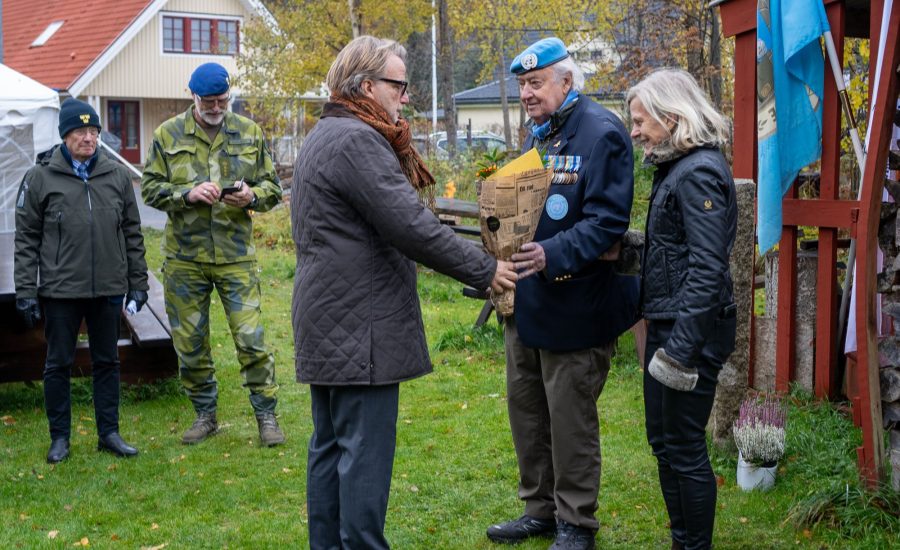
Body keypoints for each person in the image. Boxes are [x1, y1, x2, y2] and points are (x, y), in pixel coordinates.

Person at [291, 35, 517, 549]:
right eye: (398, 84)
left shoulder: (326, 134)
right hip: (358, 324)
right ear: (366, 86)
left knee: (330, 448)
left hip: (329, 317)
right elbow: (411, 225)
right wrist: (485, 270)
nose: (406, 96)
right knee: (362, 456)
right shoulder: (355, 140)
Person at [487, 38, 638, 550]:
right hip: (525, 303)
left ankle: (577, 523)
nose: (527, 93)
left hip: (575, 302)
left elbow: (607, 221)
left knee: (570, 418)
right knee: (526, 410)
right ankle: (540, 510)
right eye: (523, 85)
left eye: (536, 83)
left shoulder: (602, 133)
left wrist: (554, 254)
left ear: (566, 81)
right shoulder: (540, 135)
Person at [141, 62, 285, 447]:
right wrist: (185, 195)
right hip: (185, 259)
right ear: (194, 97)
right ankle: (205, 413)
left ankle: (266, 415)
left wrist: (252, 196)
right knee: (190, 343)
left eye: (223, 100)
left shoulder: (249, 132)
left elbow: (273, 186)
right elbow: (149, 188)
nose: (217, 107)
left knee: (251, 338)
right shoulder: (167, 134)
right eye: (210, 101)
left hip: (235, 256)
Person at [627, 68, 736, 550]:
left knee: (685, 447)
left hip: (692, 332)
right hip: (670, 325)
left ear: (671, 117)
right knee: (664, 444)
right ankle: (681, 541)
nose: (634, 132)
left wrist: (681, 353)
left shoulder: (700, 172)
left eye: (639, 121)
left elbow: (708, 268)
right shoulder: (677, 167)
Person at [15, 98, 149, 463]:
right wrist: (26, 291)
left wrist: (138, 282)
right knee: (58, 363)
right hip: (61, 291)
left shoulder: (117, 176)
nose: (88, 138)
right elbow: (26, 239)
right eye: (80, 131)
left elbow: (133, 233)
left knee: (108, 362)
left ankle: (109, 433)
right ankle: (60, 438)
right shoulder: (40, 177)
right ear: (65, 135)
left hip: (108, 288)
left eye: (93, 131)